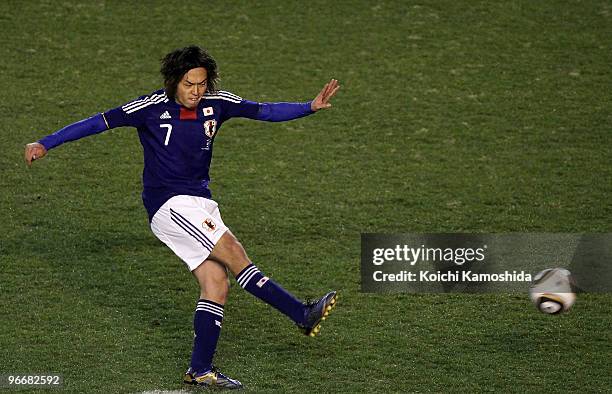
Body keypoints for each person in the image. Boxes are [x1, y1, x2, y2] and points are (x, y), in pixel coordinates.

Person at [24, 45, 340, 389]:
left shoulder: (217, 104)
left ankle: (200, 369)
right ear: (174, 81)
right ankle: (300, 313)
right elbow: (97, 123)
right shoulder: (149, 107)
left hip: (200, 203)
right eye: (189, 84)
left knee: (216, 283)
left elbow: (264, 111)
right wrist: (46, 142)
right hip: (169, 204)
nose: (196, 91)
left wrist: (309, 107)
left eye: (202, 83)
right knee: (235, 253)